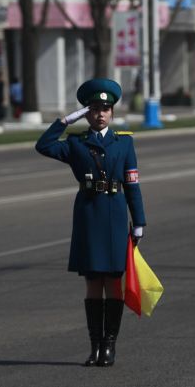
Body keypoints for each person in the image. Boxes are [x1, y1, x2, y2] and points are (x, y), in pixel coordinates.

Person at [35, 78, 146, 367]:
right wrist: (64, 121)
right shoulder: (75, 144)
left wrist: (139, 222)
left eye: (105, 109)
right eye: (94, 109)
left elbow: (132, 184)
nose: (100, 114)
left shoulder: (124, 143)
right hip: (88, 216)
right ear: (87, 112)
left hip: (114, 216)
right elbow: (43, 146)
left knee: (114, 282)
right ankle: (94, 346)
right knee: (92, 282)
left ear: (112, 112)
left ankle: (109, 346)